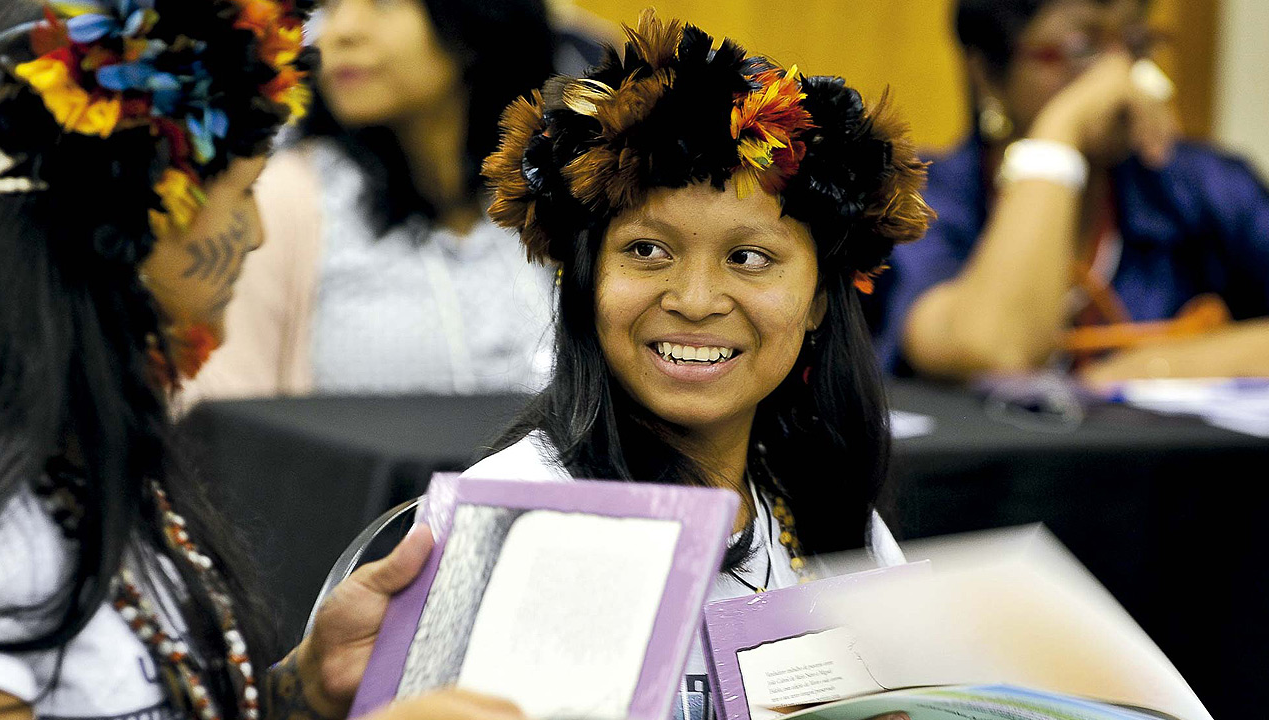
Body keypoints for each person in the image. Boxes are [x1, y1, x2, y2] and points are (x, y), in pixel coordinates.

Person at [0, 2, 515, 719]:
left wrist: (299, 689)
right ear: (134, 216)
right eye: (245, 191)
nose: (256, 235)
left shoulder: (85, 466)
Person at [467, 11, 933, 717]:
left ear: (816, 302)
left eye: (749, 259)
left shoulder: (830, 516)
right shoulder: (516, 516)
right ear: (585, 280)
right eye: (647, 251)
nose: (693, 300)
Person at [874, 0, 1269, 383]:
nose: (1119, 76)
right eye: (1081, 48)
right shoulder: (917, 197)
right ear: (988, 73)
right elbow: (996, 351)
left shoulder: (1201, 186)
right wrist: (1059, 135)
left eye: (1135, 44)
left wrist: (1158, 369)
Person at [187, 0, 559, 400]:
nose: (340, 32)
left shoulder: (557, 192)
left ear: (476, 26)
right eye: (330, 6)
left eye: (382, 3)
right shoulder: (284, 199)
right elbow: (226, 424)